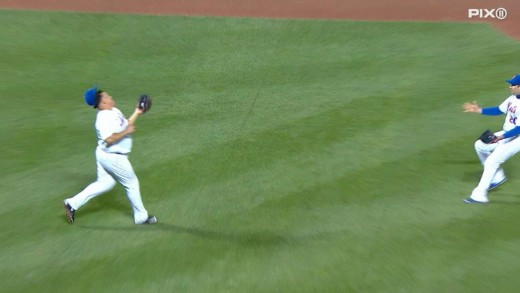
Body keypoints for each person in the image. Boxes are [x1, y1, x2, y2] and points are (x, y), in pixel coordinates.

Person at [63, 86, 157, 224]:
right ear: (102, 103)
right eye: (107, 97)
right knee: (131, 183)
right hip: (113, 157)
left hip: (104, 154)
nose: (110, 97)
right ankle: (141, 217)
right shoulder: (102, 119)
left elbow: (126, 125)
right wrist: (126, 132)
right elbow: (109, 139)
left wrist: (137, 112)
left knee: (105, 183)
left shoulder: (113, 111)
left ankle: (71, 203)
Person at [463, 74, 520, 203]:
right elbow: (499, 110)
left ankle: (479, 195)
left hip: (517, 138)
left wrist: (501, 137)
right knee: (480, 145)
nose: (510, 87)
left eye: (513, 85)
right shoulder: (513, 98)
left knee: (492, 161)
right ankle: (498, 176)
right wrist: (478, 110)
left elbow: (519, 128)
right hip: (507, 133)